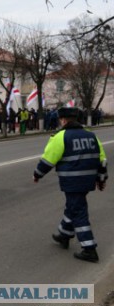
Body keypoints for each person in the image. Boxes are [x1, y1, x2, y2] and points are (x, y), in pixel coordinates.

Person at [32, 106, 108, 263]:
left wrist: (37, 174)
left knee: (79, 212)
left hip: (72, 182)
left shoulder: (61, 136)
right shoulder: (91, 136)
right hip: (88, 181)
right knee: (73, 207)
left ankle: (89, 248)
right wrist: (101, 179)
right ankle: (64, 235)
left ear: (63, 120)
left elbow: (48, 159)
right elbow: (102, 159)